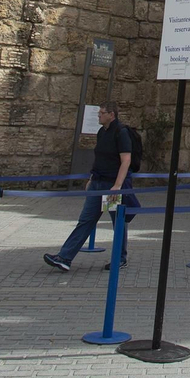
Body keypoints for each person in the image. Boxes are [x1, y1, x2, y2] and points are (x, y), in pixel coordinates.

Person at [45, 102, 139, 271]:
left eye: (102, 113)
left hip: (111, 185)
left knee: (117, 222)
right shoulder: (101, 132)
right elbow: (99, 157)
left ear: (111, 114)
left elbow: (126, 160)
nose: (99, 116)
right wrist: (91, 177)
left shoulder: (121, 132)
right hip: (98, 182)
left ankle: (120, 258)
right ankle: (65, 257)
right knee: (86, 220)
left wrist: (117, 185)